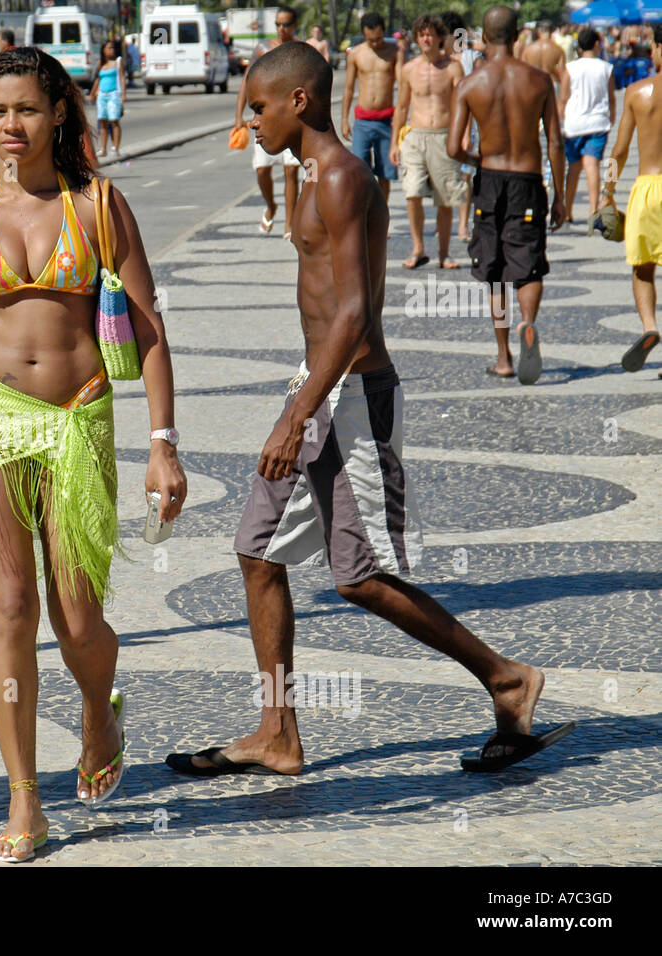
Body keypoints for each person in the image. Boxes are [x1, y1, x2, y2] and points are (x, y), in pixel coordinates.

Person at [166, 41, 570, 780]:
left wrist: (298, 417)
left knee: (358, 576)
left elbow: (353, 313)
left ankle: (507, 678)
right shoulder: (306, 175)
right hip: (316, 385)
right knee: (258, 553)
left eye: (256, 106)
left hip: (352, 396)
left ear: (300, 102)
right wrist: (299, 401)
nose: (246, 120)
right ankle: (277, 733)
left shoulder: (345, 179)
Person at [0, 46, 185, 862]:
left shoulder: (98, 206)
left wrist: (162, 445)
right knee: (11, 612)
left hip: (77, 417)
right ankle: (24, 798)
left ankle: (100, 712)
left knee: (76, 617)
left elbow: (148, 331)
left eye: (26, 109)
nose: (11, 126)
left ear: (58, 112)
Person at [449, 5, 567, 384]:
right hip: (528, 181)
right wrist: (560, 195)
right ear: (518, 35)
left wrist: (478, 159)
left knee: (496, 271)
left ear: (483, 37)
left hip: (490, 180)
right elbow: (554, 142)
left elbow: (453, 148)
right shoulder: (538, 80)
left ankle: (503, 358)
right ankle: (528, 323)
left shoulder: (469, 83)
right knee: (528, 263)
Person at [605, 22, 662, 375]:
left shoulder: (637, 91)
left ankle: (650, 328)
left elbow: (620, 152)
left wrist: (607, 194)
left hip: (647, 187)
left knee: (643, 269)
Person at [390, 14, 466, 270]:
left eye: (431, 34)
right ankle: (418, 247)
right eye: (422, 34)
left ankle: (444, 254)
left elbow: (461, 106)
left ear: (440, 38)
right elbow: (401, 108)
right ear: (417, 37)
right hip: (415, 137)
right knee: (412, 192)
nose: (426, 39)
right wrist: (394, 143)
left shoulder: (453, 67)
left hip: (444, 137)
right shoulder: (409, 69)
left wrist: (463, 137)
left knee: (445, 199)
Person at [232, 5, 302, 238]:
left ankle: (289, 224)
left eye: (286, 24)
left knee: (291, 170)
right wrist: (238, 117)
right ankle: (271, 206)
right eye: (278, 24)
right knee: (262, 170)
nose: (282, 29)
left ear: (295, 26)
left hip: (291, 119)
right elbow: (246, 81)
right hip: (264, 118)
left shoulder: (299, 50)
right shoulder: (263, 48)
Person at [559, 28, 616, 225]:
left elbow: (563, 98)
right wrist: (612, 117)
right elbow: (611, 98)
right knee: (592, 166)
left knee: (573, 169)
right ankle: (593, 210)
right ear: (596, 44)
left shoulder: (570, 68)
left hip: (574, 124)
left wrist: (560, 119)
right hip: (597, 123)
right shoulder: (605, 68)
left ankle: (567, 211)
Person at [342, 11, 399, 201]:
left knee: (385, 173)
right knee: (360, 172)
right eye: (371, 39)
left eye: (379, 38)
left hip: (386, 120)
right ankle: (365, 215)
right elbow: (349, 89)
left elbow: (405, 86)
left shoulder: (394, 52)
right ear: (364, 34)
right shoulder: (356, 54)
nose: (375, 43)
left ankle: (383, 217)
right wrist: (344, 120)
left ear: (384, 32)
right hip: (363, 122)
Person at [442, 10, 481, 242]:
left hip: (466, 122)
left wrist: (467, 131)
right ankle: (448, 222)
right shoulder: (440, 59)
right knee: (447, 175)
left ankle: (463, 225)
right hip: (446, 123)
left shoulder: (469, 57)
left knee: (464, 176)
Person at [89, 38, 125, 158]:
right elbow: (97, 80)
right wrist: (92, 93)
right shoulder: (101, 63)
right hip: (102, 94)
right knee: (102, 121)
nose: (111, 50)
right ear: (103, 50)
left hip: (113, 94)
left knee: (114, 121)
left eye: (113, 48)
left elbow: (121, 78)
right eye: (109, 48)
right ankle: (103, 149)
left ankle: (115, 148)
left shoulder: (118, 62)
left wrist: (123, 94)